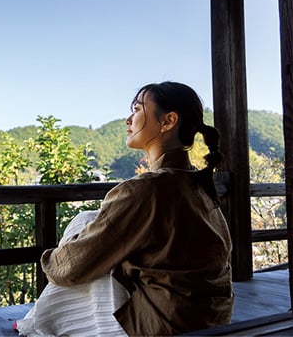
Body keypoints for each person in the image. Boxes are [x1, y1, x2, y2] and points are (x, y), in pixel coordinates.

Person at [15, 81, 234, 336]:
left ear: (168, 121)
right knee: (91, 223)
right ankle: (35, 322)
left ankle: (34, 324)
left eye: (137, 108)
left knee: (82, 230)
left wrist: (51, 258)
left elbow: (71, 269)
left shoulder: (146, 189)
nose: (128, 119)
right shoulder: (197, 183)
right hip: (210, 321)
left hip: (167, 325)